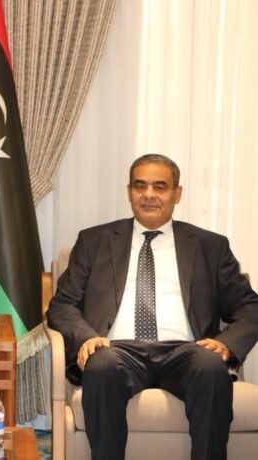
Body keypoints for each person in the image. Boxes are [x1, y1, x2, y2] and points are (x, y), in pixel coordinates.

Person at [47, 154, 258, 460]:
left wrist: (227, 344)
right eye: (140, 186)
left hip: (186, 350)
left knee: (211, 367)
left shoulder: (210, 246)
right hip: (117, 349)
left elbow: (250, 307)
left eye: (160, 186)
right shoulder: (94, 241)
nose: (149, 194)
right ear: (129, 191)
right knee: (101, 364)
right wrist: (87, 338)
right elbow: (62, 305)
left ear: (177, 193)